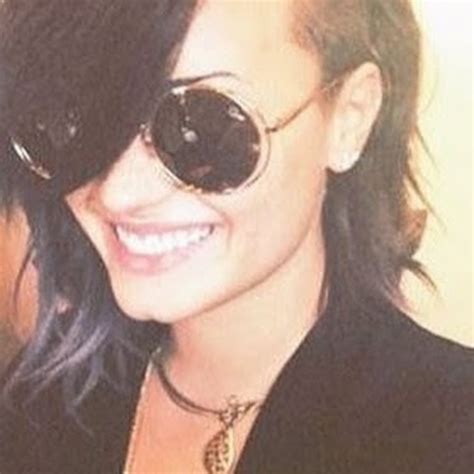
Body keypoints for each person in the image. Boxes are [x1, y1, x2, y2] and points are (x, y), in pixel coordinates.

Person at [0, 0, 472, 473]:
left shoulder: (448, 433)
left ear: (350, 118)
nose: (117, 193)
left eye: (203, 125)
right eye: (85, 118)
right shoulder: (37, 405)